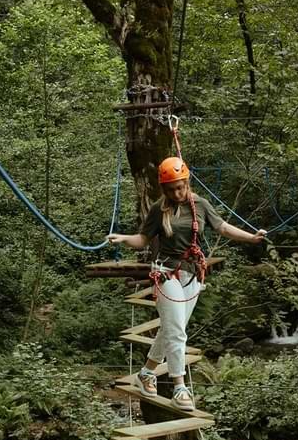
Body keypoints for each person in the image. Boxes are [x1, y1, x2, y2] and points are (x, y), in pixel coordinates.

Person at [107, 155, 265, 412]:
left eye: (180, 186)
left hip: (192, 274)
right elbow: (143, 239)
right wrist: (124, 239)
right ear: (164, 189)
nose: (177, 192)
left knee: (172, 326)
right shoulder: (159, 209)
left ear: (187, 182)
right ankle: (180, 387)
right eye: (171, 189)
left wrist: (251, 238)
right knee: (178, 331)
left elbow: (222, 227)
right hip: (166, 272)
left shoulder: (200, 204)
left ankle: (146, 374)